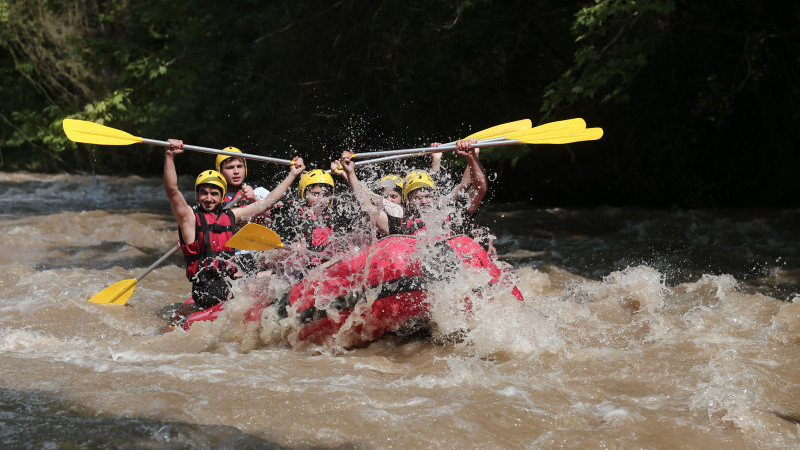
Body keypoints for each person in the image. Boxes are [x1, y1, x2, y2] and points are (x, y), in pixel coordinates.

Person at [162, 139, 305, 323]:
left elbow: (266, 203)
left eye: (214, 194)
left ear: (222, 197)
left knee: (272, 278)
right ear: (197, 195)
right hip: (207, 289)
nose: (208, 198)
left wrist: (292, 175)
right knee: (260, 284)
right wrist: (169, 156)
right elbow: (172, 189)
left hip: (230, 282)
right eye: (204, 193)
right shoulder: (189, 218)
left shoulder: (230, 215)